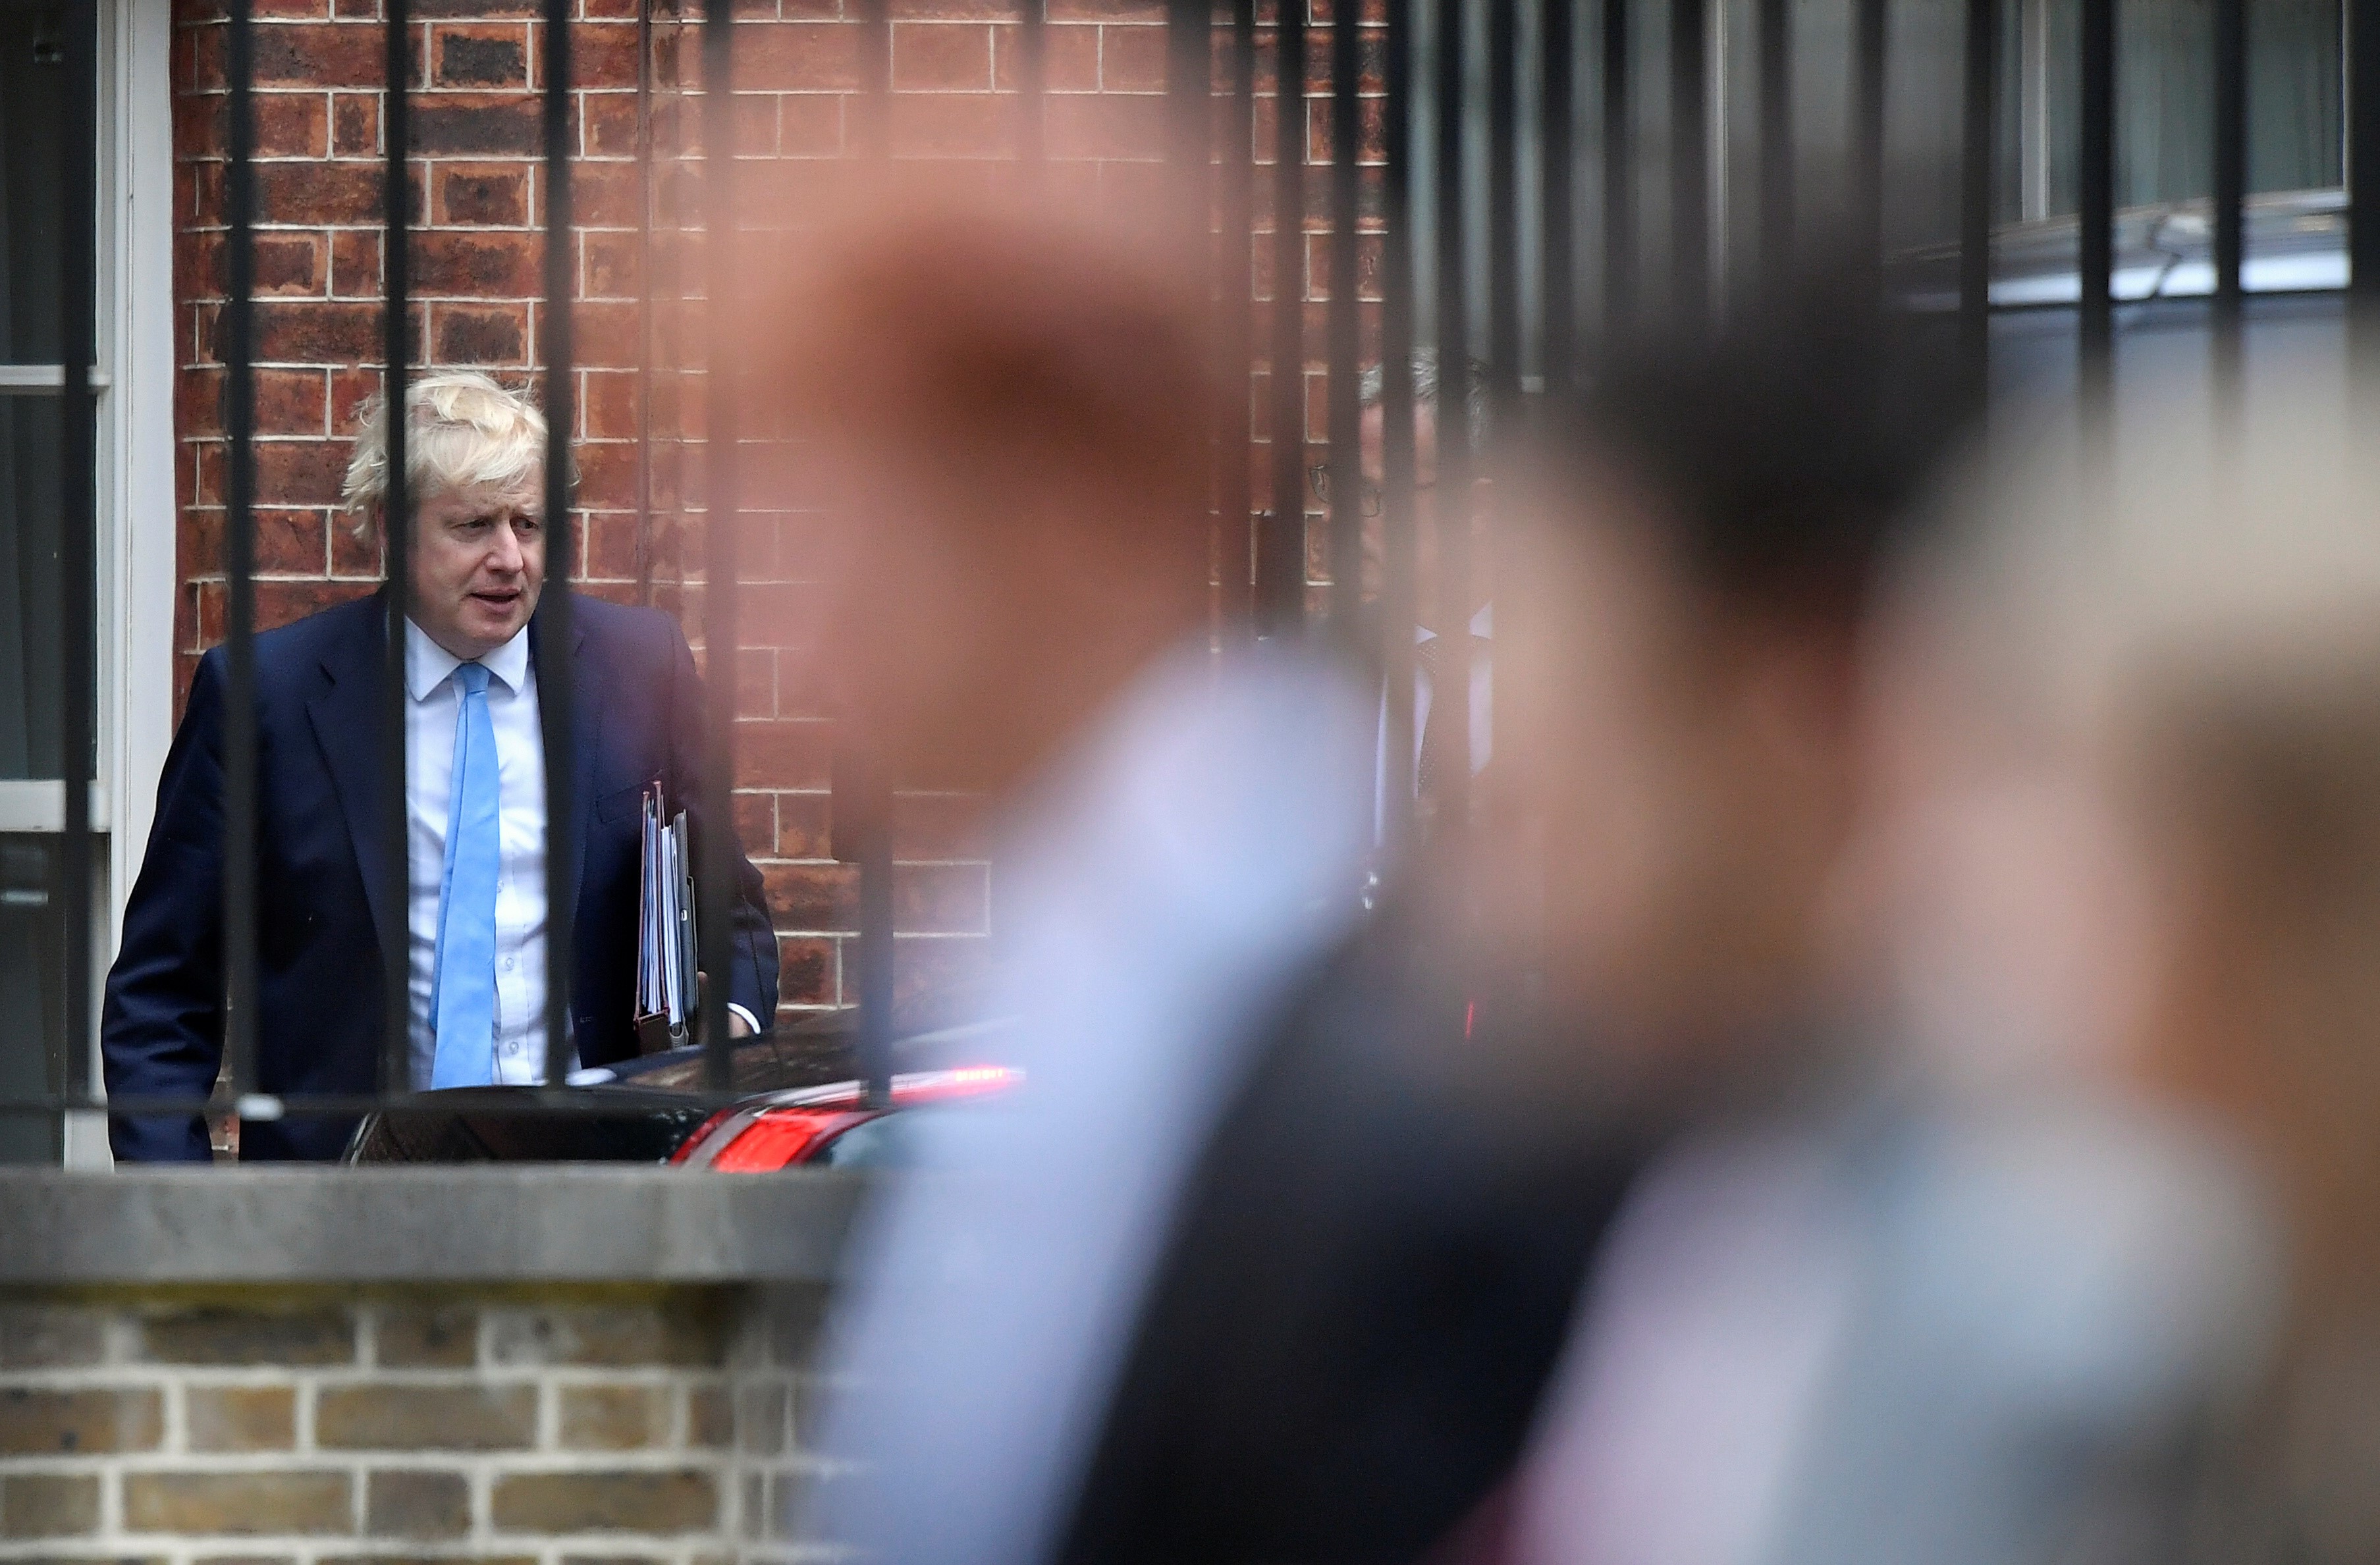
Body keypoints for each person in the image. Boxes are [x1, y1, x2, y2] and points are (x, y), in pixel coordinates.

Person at [762, 174, 1377, 1565]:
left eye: (840, 525)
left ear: (1064, 509)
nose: (800, 636)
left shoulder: (1285, 1004)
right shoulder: (1084, 966)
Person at [101, 371, 778, 1162]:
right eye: (472, 525)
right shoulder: (268, 698)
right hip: (343, 1208)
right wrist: (180, 1226)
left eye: (528, 524)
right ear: (390, 526)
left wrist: (721, 1038)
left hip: (603, 1191)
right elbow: (161, 989)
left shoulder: (639, 666)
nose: (508, 559)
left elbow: (731, 917)